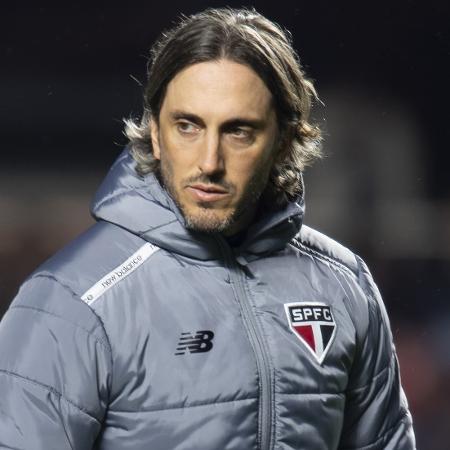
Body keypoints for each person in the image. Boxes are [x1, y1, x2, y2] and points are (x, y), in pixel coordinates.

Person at [0, 7, 415, 450]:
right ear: (155, 135)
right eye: (187, 126)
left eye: (238, 131)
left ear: (285, 140)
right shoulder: (72, 300)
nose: (209, 162)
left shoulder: (343, 284)